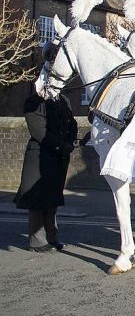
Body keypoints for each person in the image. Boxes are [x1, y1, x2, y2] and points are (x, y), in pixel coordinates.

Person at [15, 63, 78, 252]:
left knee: (52, 200)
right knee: (37, 200)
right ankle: (37, 241)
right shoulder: (34, 102)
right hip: (40, 157)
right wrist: (62, 145)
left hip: (58, 158)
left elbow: (71, 124)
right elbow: (38, 131)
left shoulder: (64, 101)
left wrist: (71, 140)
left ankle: (51, 237)